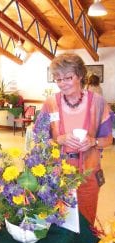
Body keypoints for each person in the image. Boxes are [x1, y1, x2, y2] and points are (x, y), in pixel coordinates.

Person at [41, 53, 113, 225]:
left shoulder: (98, 103)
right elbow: (39, 139)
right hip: (57, 174)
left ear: (80, 76)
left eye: (67, 77)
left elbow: (108, 139)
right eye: (57, 79)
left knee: (86, 221)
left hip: (88, 174)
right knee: (60, 221)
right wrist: (59, 140)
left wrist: (93, 142)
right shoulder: (50, 104)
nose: (62, 83)